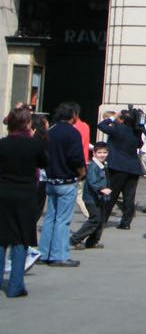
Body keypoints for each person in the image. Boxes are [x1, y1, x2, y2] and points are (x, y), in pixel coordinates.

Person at [0, 106, 48, 296]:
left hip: (3, 193)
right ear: (27, 124)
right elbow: (44, 163)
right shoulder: (34, 145)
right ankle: (15, 285)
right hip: (25, 194)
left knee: (1, 238)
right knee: (21, 239)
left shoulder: (2, 144)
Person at [38, 101, 85, 267]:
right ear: (73, 115)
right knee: (62, 220)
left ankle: (43, 253)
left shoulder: (50, 131)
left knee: (50, 217)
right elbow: (76, 157)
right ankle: (59, 255)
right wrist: (81, 172)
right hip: (66, 180)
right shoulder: (72, 133)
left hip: (51, 179)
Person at [97, 108, 144, 229]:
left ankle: (102, 220)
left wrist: (113, 117)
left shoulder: (117, 128)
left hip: (118, 166)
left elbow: (101, 125)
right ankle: (126, 222)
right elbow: (140, 143)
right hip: (133, 167)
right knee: (129, 196)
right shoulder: (136, 132)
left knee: (112, 194)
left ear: (122, 119)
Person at [70, 141, 111, 250]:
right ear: (94, 153)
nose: (102, 155)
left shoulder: (103, 164)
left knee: (101, 220)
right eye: (99, 152)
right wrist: (102, 189)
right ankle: (75, 239)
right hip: (92, 199)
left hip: (101, 198)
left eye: (104, 152)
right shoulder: (93, 166)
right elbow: (92, 182)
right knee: (95, 219)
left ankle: (92, 242)